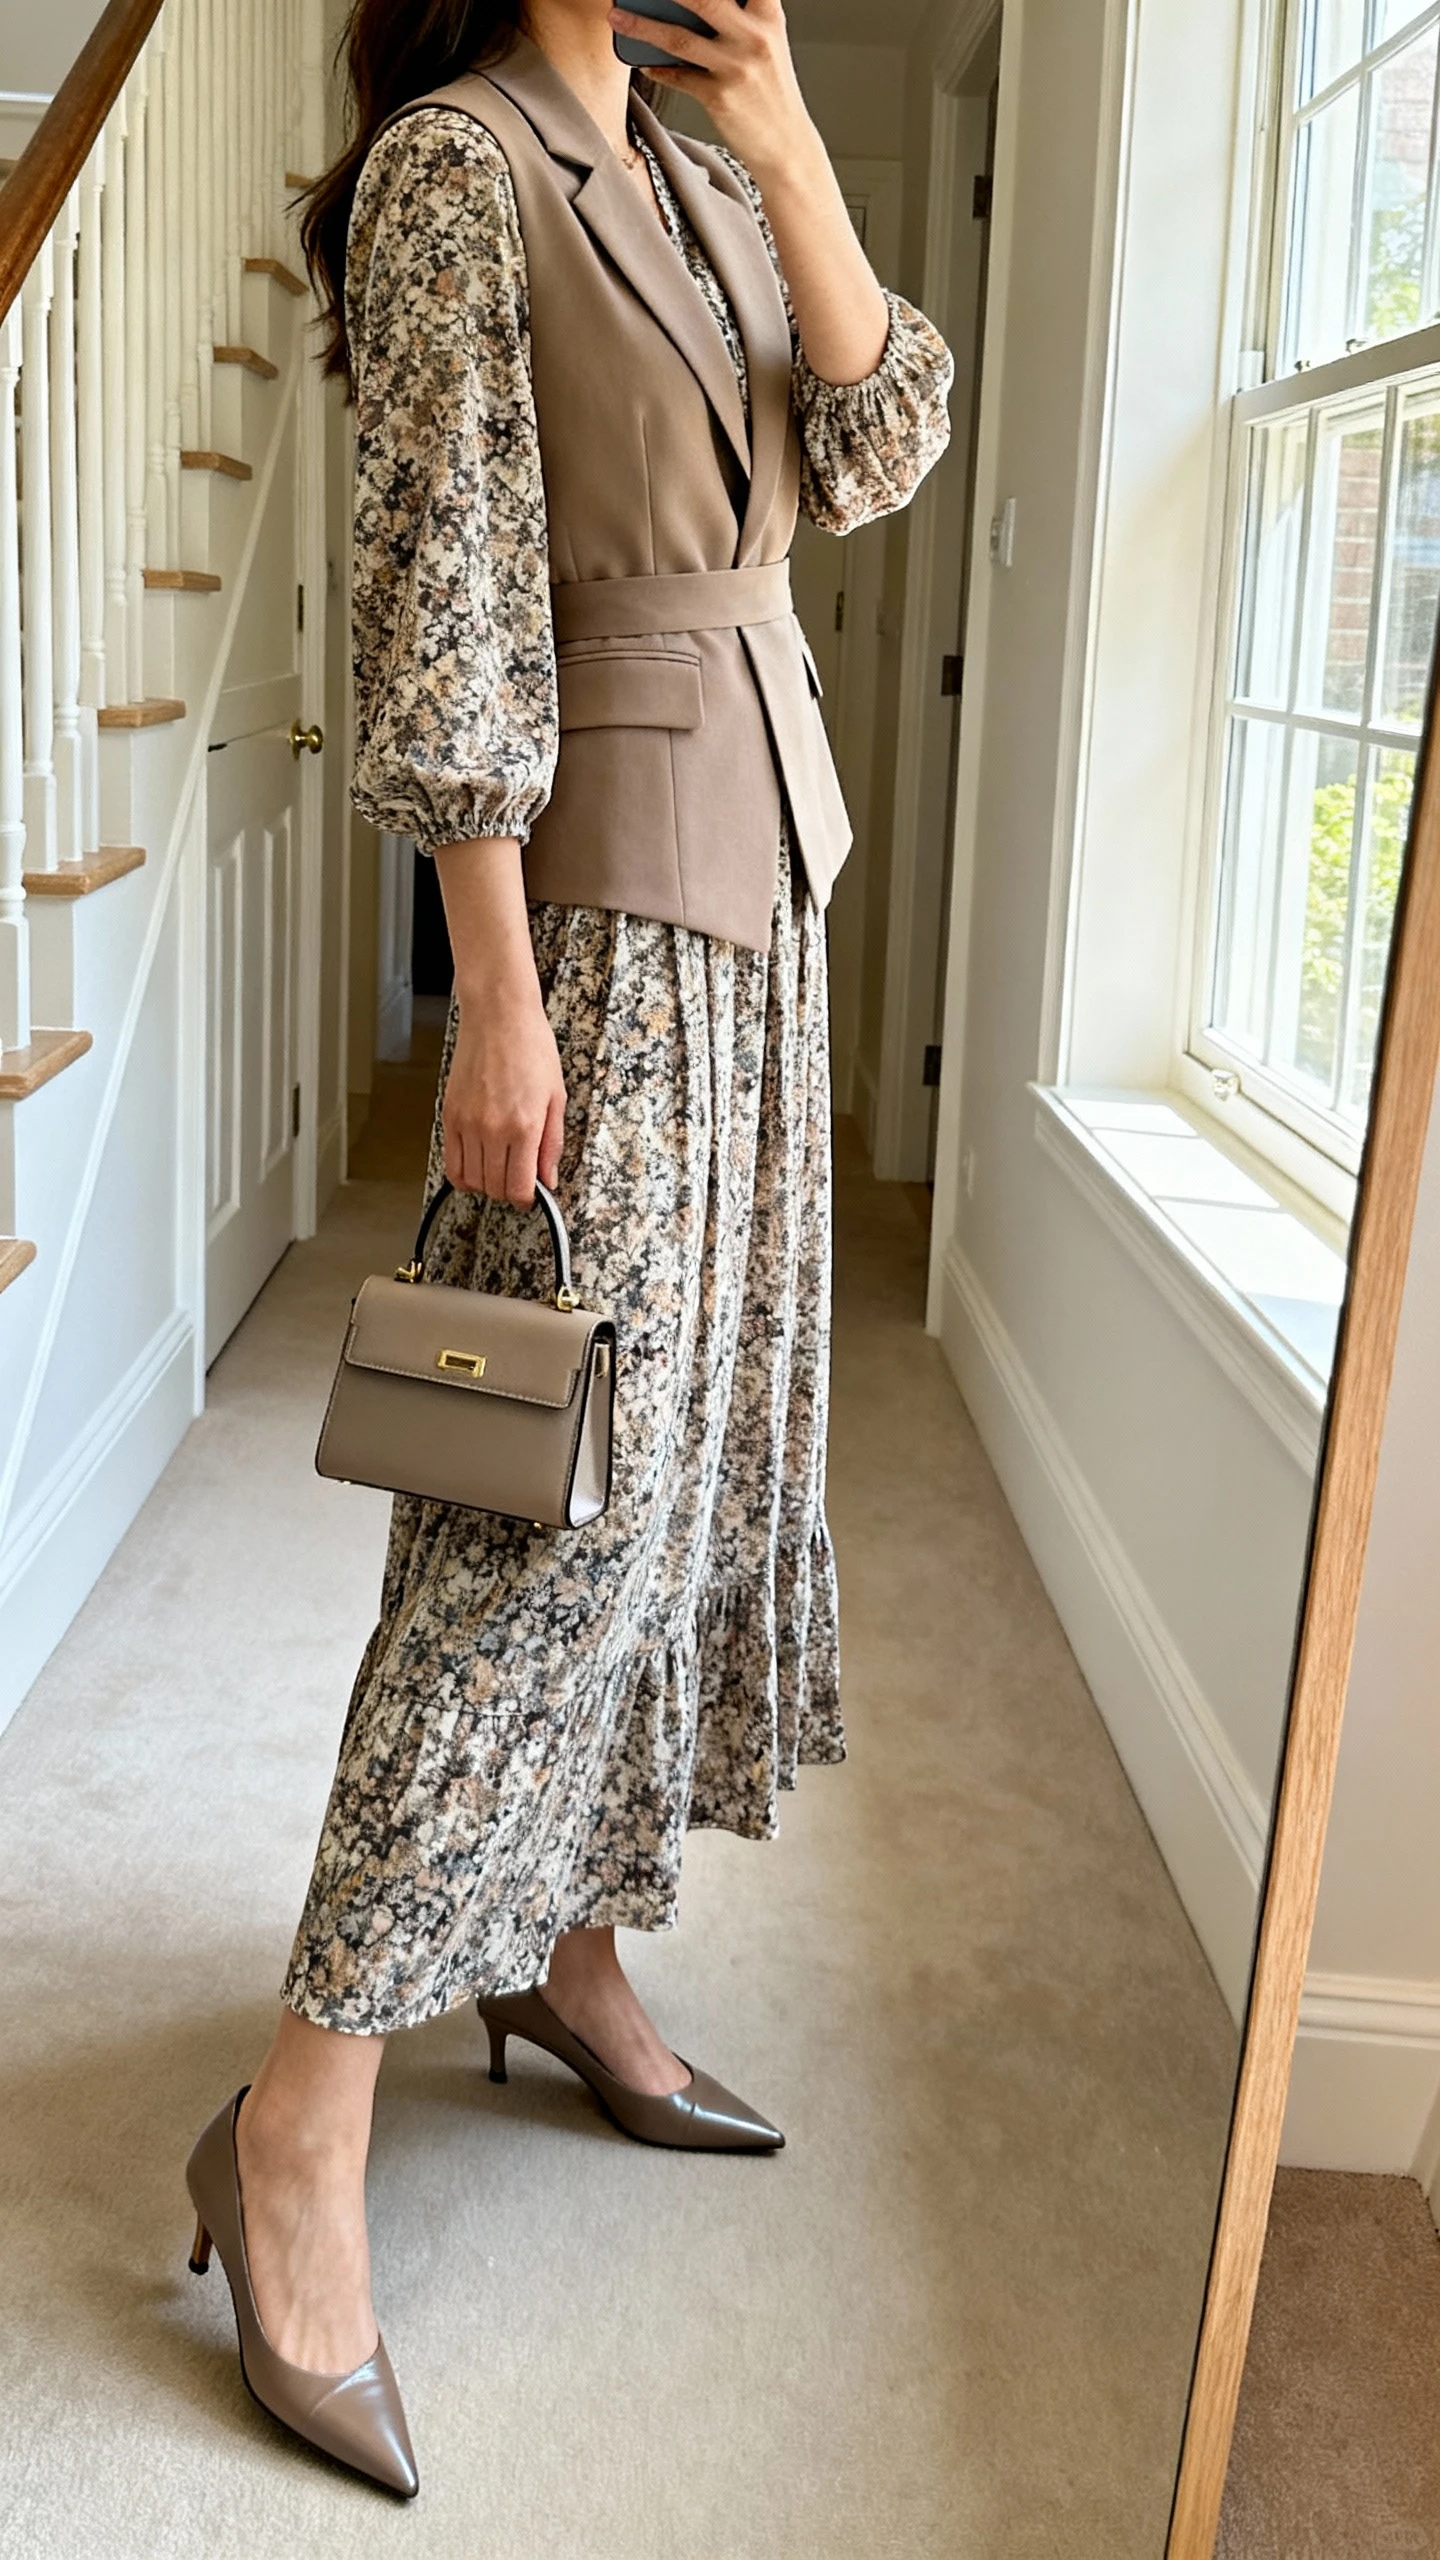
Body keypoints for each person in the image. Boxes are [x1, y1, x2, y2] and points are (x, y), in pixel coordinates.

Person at [185, 0, 952, 2496]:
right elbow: (445, 605)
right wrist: (487, 995)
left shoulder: (724, 171)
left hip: (770, 886)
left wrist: (801, 145)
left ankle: (569, 1951)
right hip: (597, 933)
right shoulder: (449, 171)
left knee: (692, 1478)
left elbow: (878, 444)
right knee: (520, 1523)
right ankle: (298, 2124)